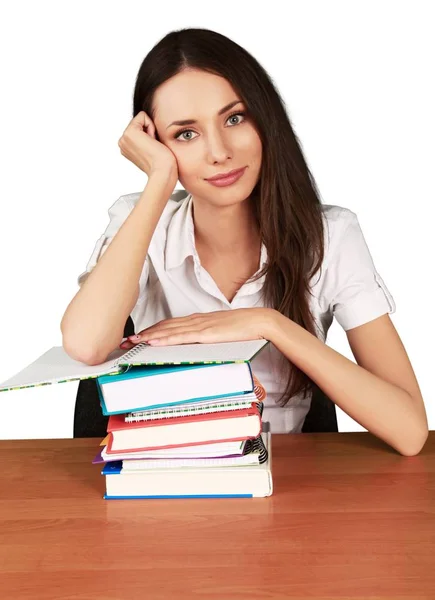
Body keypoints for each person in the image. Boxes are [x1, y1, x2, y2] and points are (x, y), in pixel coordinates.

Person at [61, 27, 428, 455]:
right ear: (155, 144)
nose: (219, 151)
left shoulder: (332, 237)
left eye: (234, 118)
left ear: (264, 119)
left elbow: (409, 431)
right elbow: (86, 345)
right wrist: (159, 179)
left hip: (286, 487)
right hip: (163, 481)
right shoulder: (139, 220)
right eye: (185, 134)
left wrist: (269, 325)